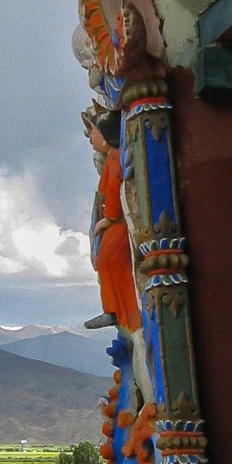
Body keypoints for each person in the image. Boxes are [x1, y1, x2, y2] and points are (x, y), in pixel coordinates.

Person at [84, 109, 142, 333]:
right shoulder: (112, 158)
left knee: (109, 260)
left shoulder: (116, 159)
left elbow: (113, 191)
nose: (92, 137)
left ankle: (122, 311)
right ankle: (115, 310)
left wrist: (107, 220)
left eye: (95, 132)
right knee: (105, 261)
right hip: (112, 221)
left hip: (116, 223)